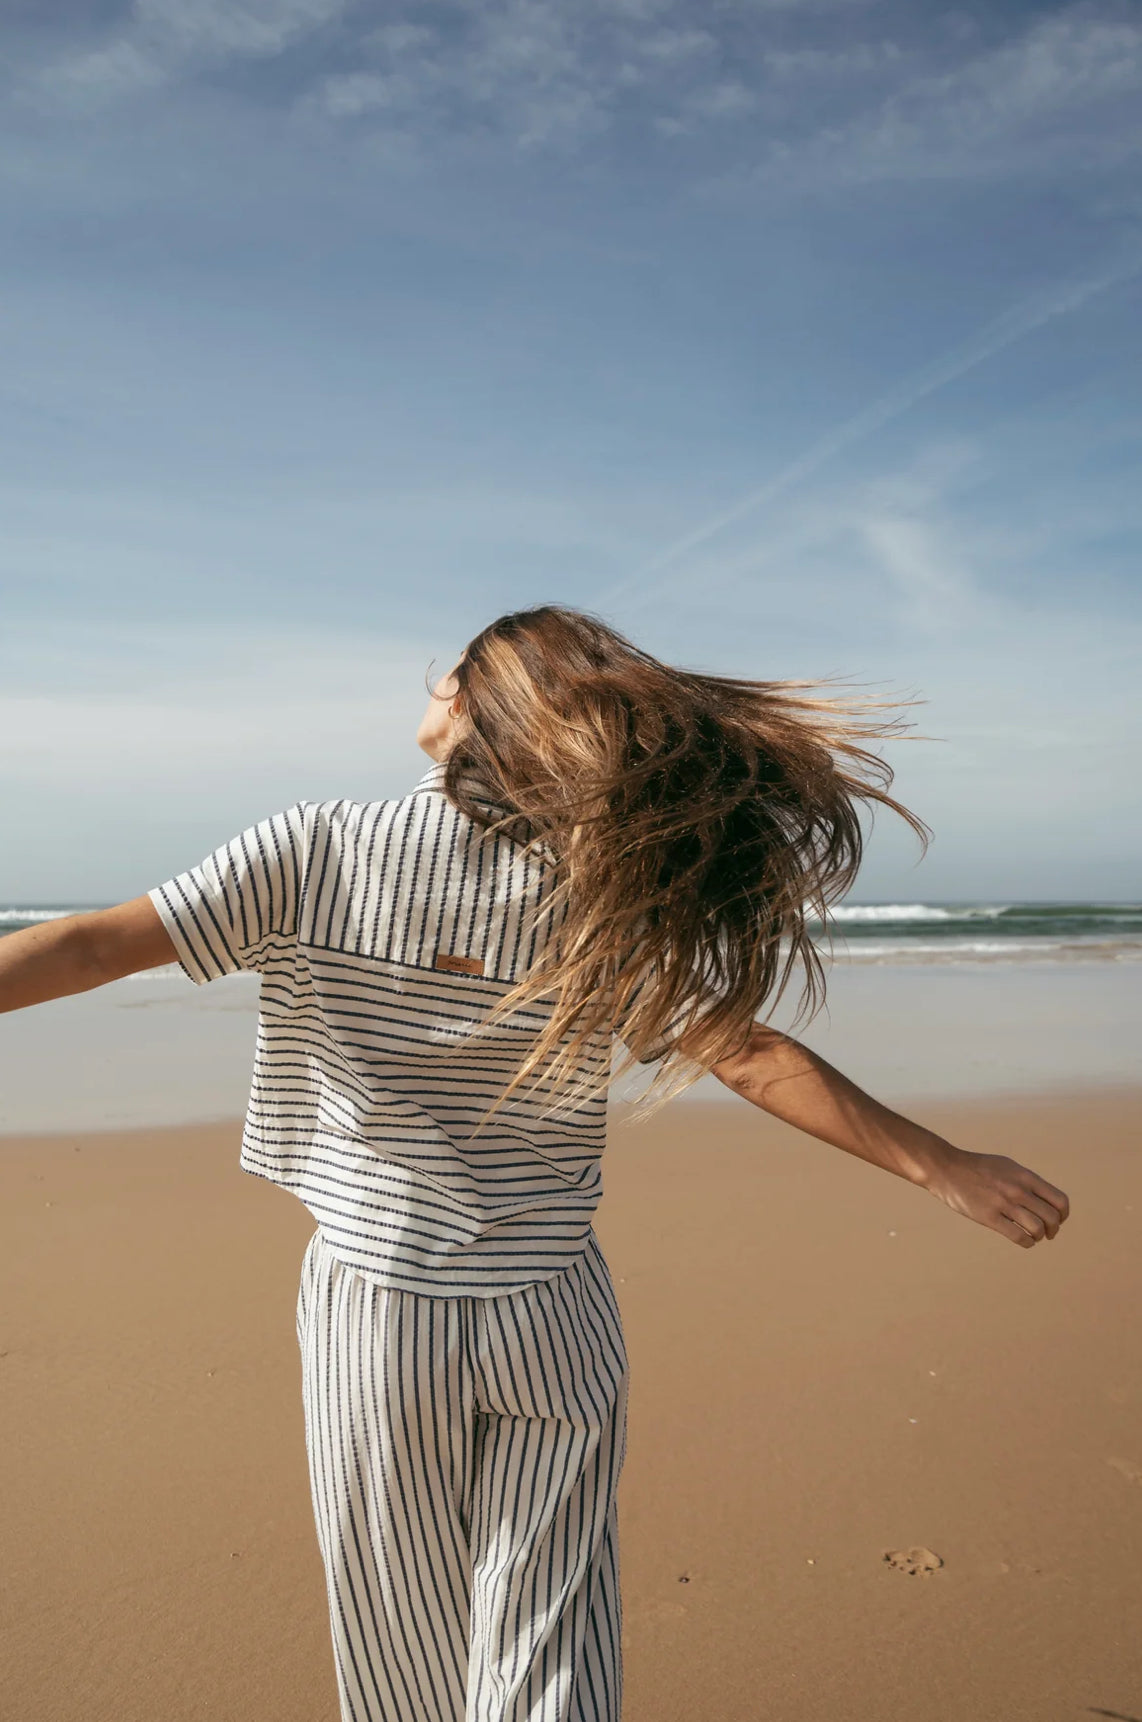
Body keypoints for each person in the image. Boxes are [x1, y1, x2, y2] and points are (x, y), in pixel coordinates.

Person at [1, 604, 1069, 1722]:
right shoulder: (596, 890)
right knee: (550, 1634)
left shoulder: (318, 845)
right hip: (552, 1305)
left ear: (470, 699)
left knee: (400, 1629)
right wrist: (941, 1165)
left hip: (383, 1303)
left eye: (440, 674)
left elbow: (94, 945)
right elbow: (746, 1054)